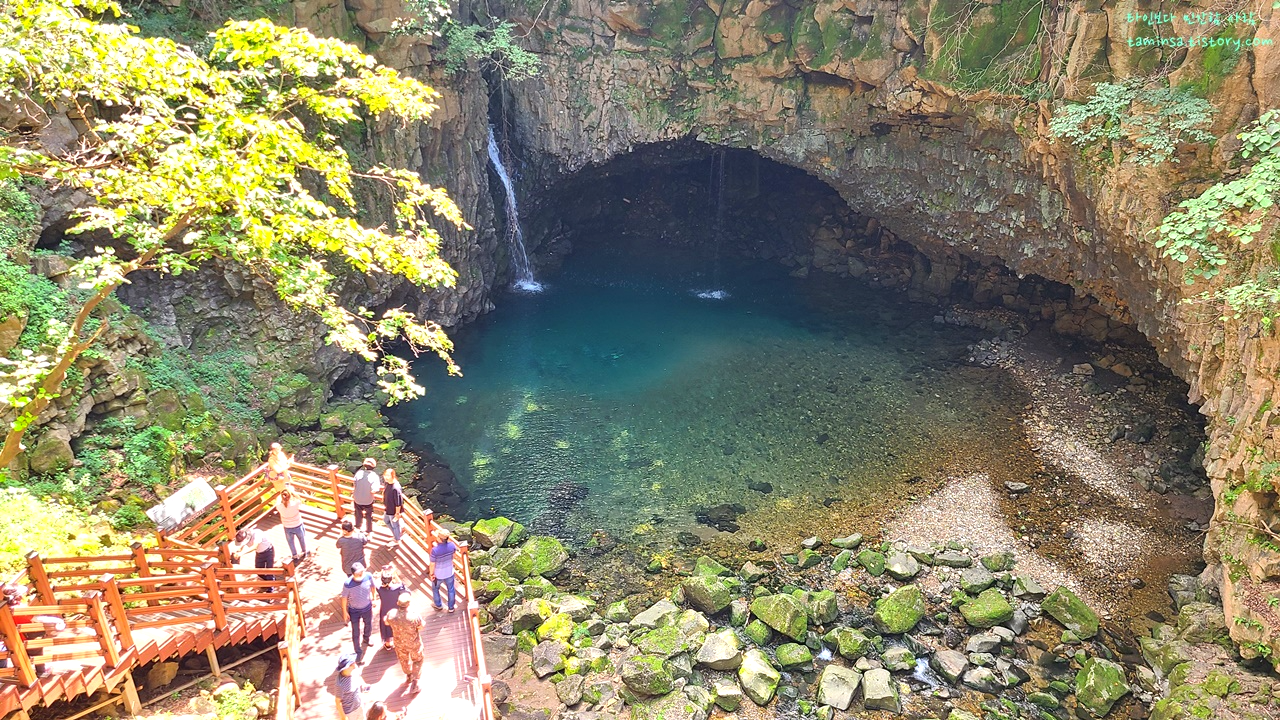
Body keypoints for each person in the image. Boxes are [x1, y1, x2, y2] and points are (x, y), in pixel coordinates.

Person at [2, 583, 65, 676]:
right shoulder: (20, 609)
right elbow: (37, 618)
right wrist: (57, 620)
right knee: (37, 646)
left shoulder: (4, 608)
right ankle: (41, 671)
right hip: (24, 640)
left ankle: (22, 670)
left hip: (10, 641)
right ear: (18, 596)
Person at [385, 592, 424, 693]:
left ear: (397, 602)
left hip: (399, 643)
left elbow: (385, 621)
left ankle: (409, 675)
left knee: (403, 660)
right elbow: (421, 626)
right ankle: (415, 681)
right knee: (418, 659)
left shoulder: (391, 614)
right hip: (413, 643)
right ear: (409, 604)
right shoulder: (414, 616)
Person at [340, 562, 375, 664]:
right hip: (354, 610)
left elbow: (373, 587)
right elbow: (344, 598)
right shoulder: (347, 583)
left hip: (367, 607)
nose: (361, 574)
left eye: (362, 571)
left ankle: (367, 638)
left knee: (368, 624)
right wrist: (345, 612)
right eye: (358, 572)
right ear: (353, 573)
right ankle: (358, 651)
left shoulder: (368, 576)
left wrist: (374, 597)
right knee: (355, 631)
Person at [230, 526, 276, 593]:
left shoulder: (257, 533)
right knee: (259, 570)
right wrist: (238, 550)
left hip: (268, 552)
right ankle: (267, 583)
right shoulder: (246, 536)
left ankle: (270, 590)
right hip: (259, 553)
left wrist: (241, 553)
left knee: (269, 571)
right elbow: (244, 545)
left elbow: (254, 546)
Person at [374, 568, 406, 650]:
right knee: (397, 625)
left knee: (386, 626)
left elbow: (375, 582)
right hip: (396, 610)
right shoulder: (397, 587)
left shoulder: (379, 588)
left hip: (385, 610)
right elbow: (402, 585)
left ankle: (388, 644)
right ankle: (399, 642)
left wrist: (380, 573)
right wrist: (395, 575)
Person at [428, 529, 459, 613]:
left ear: (439, 539)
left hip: (438, 574)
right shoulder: (452, 545)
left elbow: (432, 564)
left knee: (435, 589)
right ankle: (451, 607)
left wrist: (431, 574)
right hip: (449, 572)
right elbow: (454, 556)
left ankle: (438, 605)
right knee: (451, 589)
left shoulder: (435, 550)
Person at [276, 484, 307, 563]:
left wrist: (282, 494)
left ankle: (294, 555)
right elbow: (299, 499)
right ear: (290, 496)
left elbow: (278, 499)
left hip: (287, 527)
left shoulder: (279, 506)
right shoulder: (295, 503)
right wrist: (292, 491)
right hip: (297, 524)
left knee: (291, 542)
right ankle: (304, 551)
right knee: (302, 539)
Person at [334, 653, 368, 720]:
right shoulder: (340, 684)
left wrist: (363, 684)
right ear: (346, 667)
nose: (354, 664)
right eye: (351, 663)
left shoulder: (355, 670)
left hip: (360, 705)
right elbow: (338, 701)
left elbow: (359, 676)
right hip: (350, 713)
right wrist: (343, 717)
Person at [352, 458, 380, 535]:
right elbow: (374, 490)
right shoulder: (374, 476)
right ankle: (369, 530)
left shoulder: (359, 473)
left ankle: (358, 527)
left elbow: (354, 483)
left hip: (357, 498)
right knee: (369, 515)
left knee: (358, 513)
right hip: (368, 500)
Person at [382, 468, 404, 549]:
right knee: (386, 520)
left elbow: (398, 503)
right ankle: (396, 535)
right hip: (388, 508)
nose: (386, 477)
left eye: (388, 475)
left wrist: (397, 514)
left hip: (393, 510)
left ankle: (397, 540)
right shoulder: (387, 483)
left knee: (395, 525)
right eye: (385, 475)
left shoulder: (396, 488)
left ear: (393, 476)